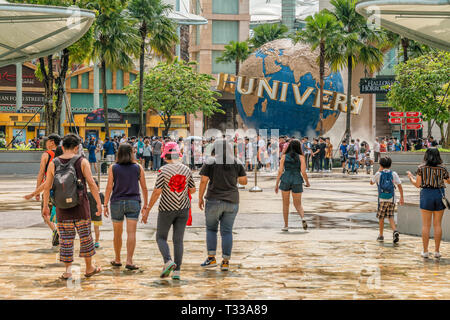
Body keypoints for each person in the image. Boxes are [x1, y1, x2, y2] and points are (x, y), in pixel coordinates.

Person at [42, 134, 102, 279]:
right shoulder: (82, 161)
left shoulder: (54, 163)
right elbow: (92, 184)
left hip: (62, 208)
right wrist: (99, 203)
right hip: (81, 207)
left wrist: (46, 206)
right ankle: (89, 268)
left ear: (62, 147)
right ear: (76, 147)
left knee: (66, 239)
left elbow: (47, 187)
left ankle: (68, 271)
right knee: (86, 238)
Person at [142, 142, 196, 280]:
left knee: (161, 237)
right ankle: (177, 271)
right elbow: (193, 190)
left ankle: (167, 261)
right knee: (178, 240)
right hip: (183, 208)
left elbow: (157, 192)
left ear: (166, 155)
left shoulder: (163, 171)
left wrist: (148, 208)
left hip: (166, 209)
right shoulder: (187, 170)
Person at [198, 139, 248, 271]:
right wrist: (232, 177)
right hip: (232, 201)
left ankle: (211, 258)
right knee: (227, 232)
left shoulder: (210, 161)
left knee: (211, 229)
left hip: (213, 200)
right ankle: (225, 262)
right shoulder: (236, 162)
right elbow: (244, 181)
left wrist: (200, 198)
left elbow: (203, 181)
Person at [104, 144, 148, 270]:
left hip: (116, 202)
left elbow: (108, 187)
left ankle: (117, 259)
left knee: (117, 233)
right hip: (133, 202)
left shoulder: (113, 167)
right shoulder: (138, 167)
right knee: (131, 233)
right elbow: (144, 187)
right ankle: (129, 260)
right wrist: (146, 204)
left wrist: (105, 204)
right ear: (131, 153)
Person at [407, 148, 450, 259]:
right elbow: (448, 181)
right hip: (439, 195)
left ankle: (425, 251)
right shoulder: (443, 168)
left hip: (426, 195)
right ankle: (437, 251)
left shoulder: (421, 168)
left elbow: (417, 185)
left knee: (426, 225)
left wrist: (411, 177)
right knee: (437, 224)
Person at [275, 139, 310, 231]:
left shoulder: (284, 157)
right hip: (297, 179)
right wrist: (307, 182)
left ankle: (286, 225)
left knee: (285, 204)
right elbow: (303, 172)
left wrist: (276, 184)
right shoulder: (301, 157)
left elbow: (280, 171)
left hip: (286, 179)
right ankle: (303, 218)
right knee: (298, 204)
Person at [34, 133, 62, 246]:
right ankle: (59, 232)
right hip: (62, 189)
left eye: (46, 141)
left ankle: (55, 231)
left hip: (49, 188)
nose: (45, 143)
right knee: (60, 213)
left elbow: (41, 173)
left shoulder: (46, 154)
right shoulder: (63, 154)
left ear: (51, 142)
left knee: (45, 213)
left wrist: (37, 190)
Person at [370, 157, 404, 243]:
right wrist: (402, 197)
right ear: (390, 165)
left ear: (381, 165)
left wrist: (378, 170)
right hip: (392, 199)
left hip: (382, 199)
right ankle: (395, 230)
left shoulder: (378, 174)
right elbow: (399, 185)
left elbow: (371, 182)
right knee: (390, 216)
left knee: (381, 217)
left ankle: (381, 235)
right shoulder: (394, 174)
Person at [88, 178, 104, 248]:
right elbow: (104, 203)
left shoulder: (88, 194)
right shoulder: (100, 195)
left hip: (89, 214)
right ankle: (97, 242)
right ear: (98, 186)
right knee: (96, 228)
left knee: (88, 229)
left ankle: (90, 241)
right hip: (97, 214)